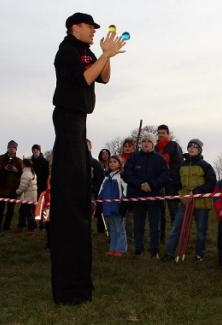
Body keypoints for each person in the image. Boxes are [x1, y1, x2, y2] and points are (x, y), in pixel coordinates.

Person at [50, 12, 125, 305]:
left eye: (96, 28)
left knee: (80, 184)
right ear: (74, 28)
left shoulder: (88, 51)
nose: (94, 31)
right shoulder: (67, 51)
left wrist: (108, 57)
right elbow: (84, 79)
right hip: (67, 117)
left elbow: (102, 77)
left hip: (81, 119)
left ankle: (81, 279)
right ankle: (67, 284)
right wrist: (103, 55)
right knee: (69, 185)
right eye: (89, 27)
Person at [162, 139, 216, 262]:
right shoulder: (181, 165)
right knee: (176, 227)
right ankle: (170, 252)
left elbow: (212, 183)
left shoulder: (205, 166)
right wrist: (181, 193)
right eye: (190, 146)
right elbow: (176, 182)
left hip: (201, 202)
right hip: (185, 201)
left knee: (201, 230)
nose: (192, 148)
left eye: (195, 147)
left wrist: (196, 192)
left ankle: (199, 255)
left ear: (199, 150)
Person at [122, 133, 168, 258]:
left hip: (155, 197)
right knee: (138, 226)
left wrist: (151, 185)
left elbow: (164, 176)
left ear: (153, 144)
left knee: (155, 227)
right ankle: (139, 249)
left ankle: (155, 251)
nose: (146, 143)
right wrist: (140, 184)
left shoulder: (160, 159)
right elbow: (127, 174)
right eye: (144, 141)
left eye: (149, 141)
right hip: (138, 197)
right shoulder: (134, 158)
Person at [154, 124, 183, 242]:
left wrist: (169, 176)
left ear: (168, 134)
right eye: (159, 133)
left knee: (173, 211)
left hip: (171, 183)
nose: (161, 135)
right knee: (160, 212)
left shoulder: (174, 146)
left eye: (163, 133)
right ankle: (161, 238)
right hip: (159, 184)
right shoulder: (155, 148)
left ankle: (176, 238)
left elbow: (178, 163)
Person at [98, 155, 127, 257]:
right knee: (112, 229)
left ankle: (121, 248)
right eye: (110, 162)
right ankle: (112, 248)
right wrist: (100, 200)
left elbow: (126, 190)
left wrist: (123, 202)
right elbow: (101, 190)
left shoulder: (121, 176)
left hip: (118, 206)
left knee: (119, 228)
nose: (112, 163)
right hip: (108, 207)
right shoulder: (106, 177)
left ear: (119, 164)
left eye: (115, 161)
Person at [0, 140, 23, 231]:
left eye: (13, 148)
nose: (11, 149)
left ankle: (6, 226)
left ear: (16, 149)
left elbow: (23, 173)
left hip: (13, 190)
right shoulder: (0, 158)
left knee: (10, 210)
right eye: (9, 147)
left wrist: (16, 170)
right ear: (7, 148)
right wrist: (3, 167)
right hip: (1, 188)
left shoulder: (19, 161)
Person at [86, 139, 105, 233]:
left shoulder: (95, 163)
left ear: (91, 147)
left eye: (87, 145)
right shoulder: (75, 161)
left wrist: (94, 189)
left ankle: (98, 230)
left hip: (92, 192)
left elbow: (100, 178)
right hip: (78, 192)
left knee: (93, 212)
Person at [16, 159, 38, 233]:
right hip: (33, 196)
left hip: (28, 197)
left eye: (22, 164)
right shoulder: (33, 172)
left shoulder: (25, 173)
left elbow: (23, 186)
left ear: (24, 165)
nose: (21, 165)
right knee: (23, 212)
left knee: (28, 213)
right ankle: (21, 226)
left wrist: (17, 192)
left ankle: (32, 228)